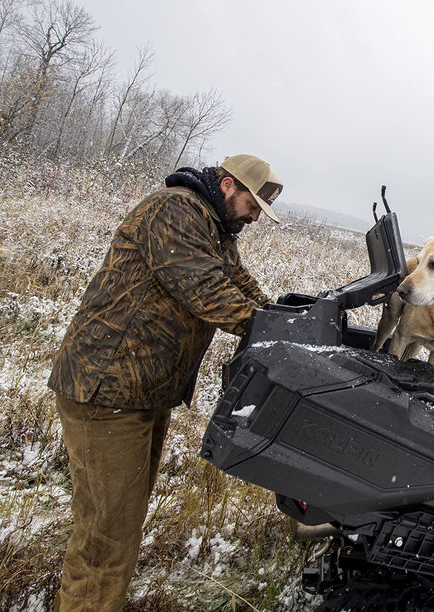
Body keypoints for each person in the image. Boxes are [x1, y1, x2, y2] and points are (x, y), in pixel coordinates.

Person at [48, 154, 283, 610]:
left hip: (141, 393)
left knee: (120, 522)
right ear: (229, 186)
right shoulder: (174, 210)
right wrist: (274, 333)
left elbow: (239, 284)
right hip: (106, 389)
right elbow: (208, 291)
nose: (255, 217)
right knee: (105, 538)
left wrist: (286, 317)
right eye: (253, 205)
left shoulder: (215, 228)